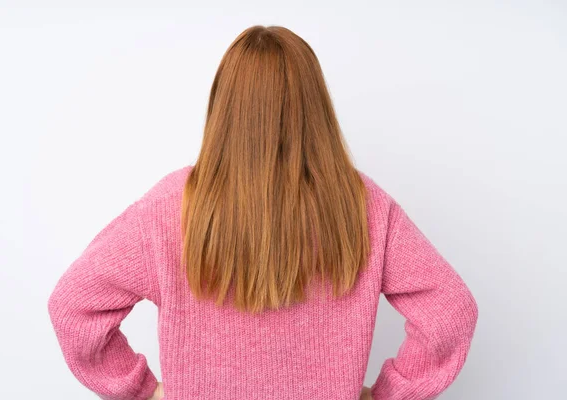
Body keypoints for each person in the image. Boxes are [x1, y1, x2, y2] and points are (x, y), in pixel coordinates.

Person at [47, 25, 478, 400]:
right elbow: (450, 311)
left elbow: (74, 306)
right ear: (316, 106)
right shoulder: (362, 205)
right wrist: (390, 395)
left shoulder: (170, 207)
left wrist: (139, 389)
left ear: (223, 107)